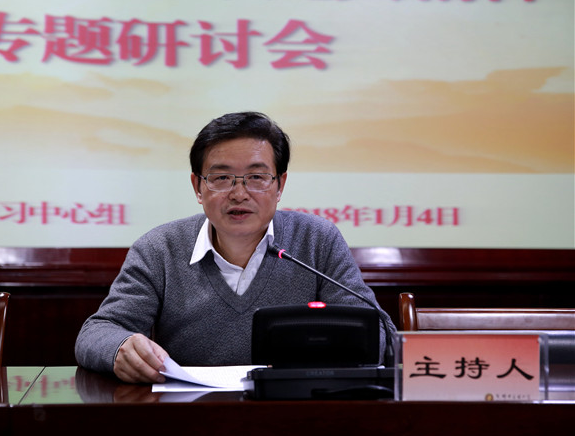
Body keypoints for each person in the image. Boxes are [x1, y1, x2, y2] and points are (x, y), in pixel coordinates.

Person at [75, 111, 396, 383]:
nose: (239, 194)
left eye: (256, 177)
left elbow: (380, 333)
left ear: (280, 185)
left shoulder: (316, 240)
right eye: (222, 178)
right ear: (198, 186)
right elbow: (97, 332)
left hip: (295, 411)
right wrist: (121, 348)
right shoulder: (160, 249)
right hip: (191, 415)